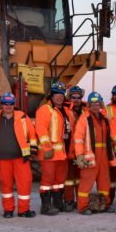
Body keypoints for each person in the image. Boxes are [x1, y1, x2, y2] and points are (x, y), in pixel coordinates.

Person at [0, 92, 38, 218]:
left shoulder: (22, 117)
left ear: (14, 104)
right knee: (6, 185)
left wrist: (32, 151)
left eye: (10, 103)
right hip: (2, 158)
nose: (8, 106)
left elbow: (32, 134)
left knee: (25, 183)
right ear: (1, 104)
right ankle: (8, 210)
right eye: (5, 103)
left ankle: (23, 210)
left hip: (20, 157)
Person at [73, 92, 114, 214]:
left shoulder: (104, 119)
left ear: (100, 104)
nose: (95, 106)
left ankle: (105, 204)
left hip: (103, 156)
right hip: (89, 155)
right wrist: (80, 155)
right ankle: (83, 207)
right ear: (89, 105)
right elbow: (78, 138)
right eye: (93, 104)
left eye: (97, 103)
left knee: (104, 182)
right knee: (86, 182)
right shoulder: (84, 118)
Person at [34, 82, 68, 215]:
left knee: (59, 181)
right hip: (49, 153)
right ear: (51, 96)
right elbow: (41, 130)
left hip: (61, 154)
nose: (59, 97)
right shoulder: (45, 110)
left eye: (61, 95)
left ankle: (58, 203)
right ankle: (46, 206)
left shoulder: (62, 111)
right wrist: (47, 148)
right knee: (47, 180)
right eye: (57, 95)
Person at [62, 86, 85, 211]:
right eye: (73, 97)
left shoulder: (85, 111)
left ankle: (80, 201)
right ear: (69, 98)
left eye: (78, 98)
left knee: (80, 178)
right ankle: (69, 200)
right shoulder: (65, 110)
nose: (76, 100)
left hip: (81, 150)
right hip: (69, 149)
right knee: (69, 178)